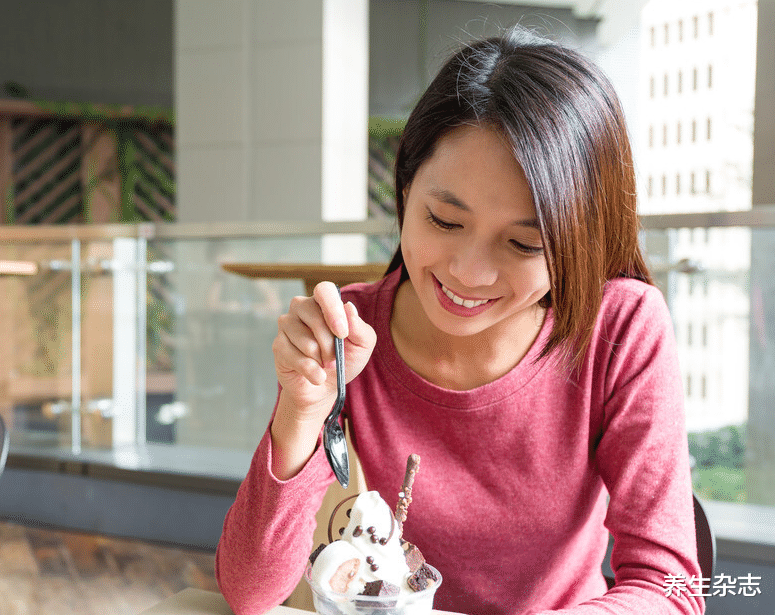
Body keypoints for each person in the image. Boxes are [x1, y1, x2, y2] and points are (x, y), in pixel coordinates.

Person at [215, 26, 704, 615]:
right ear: (404, 191)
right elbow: (249, 593)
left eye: (524, 244)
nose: (469, 274)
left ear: (580, 240)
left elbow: (669, 588)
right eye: (445, 221)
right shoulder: (346, 335)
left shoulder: (619, 327)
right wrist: (301, 413)